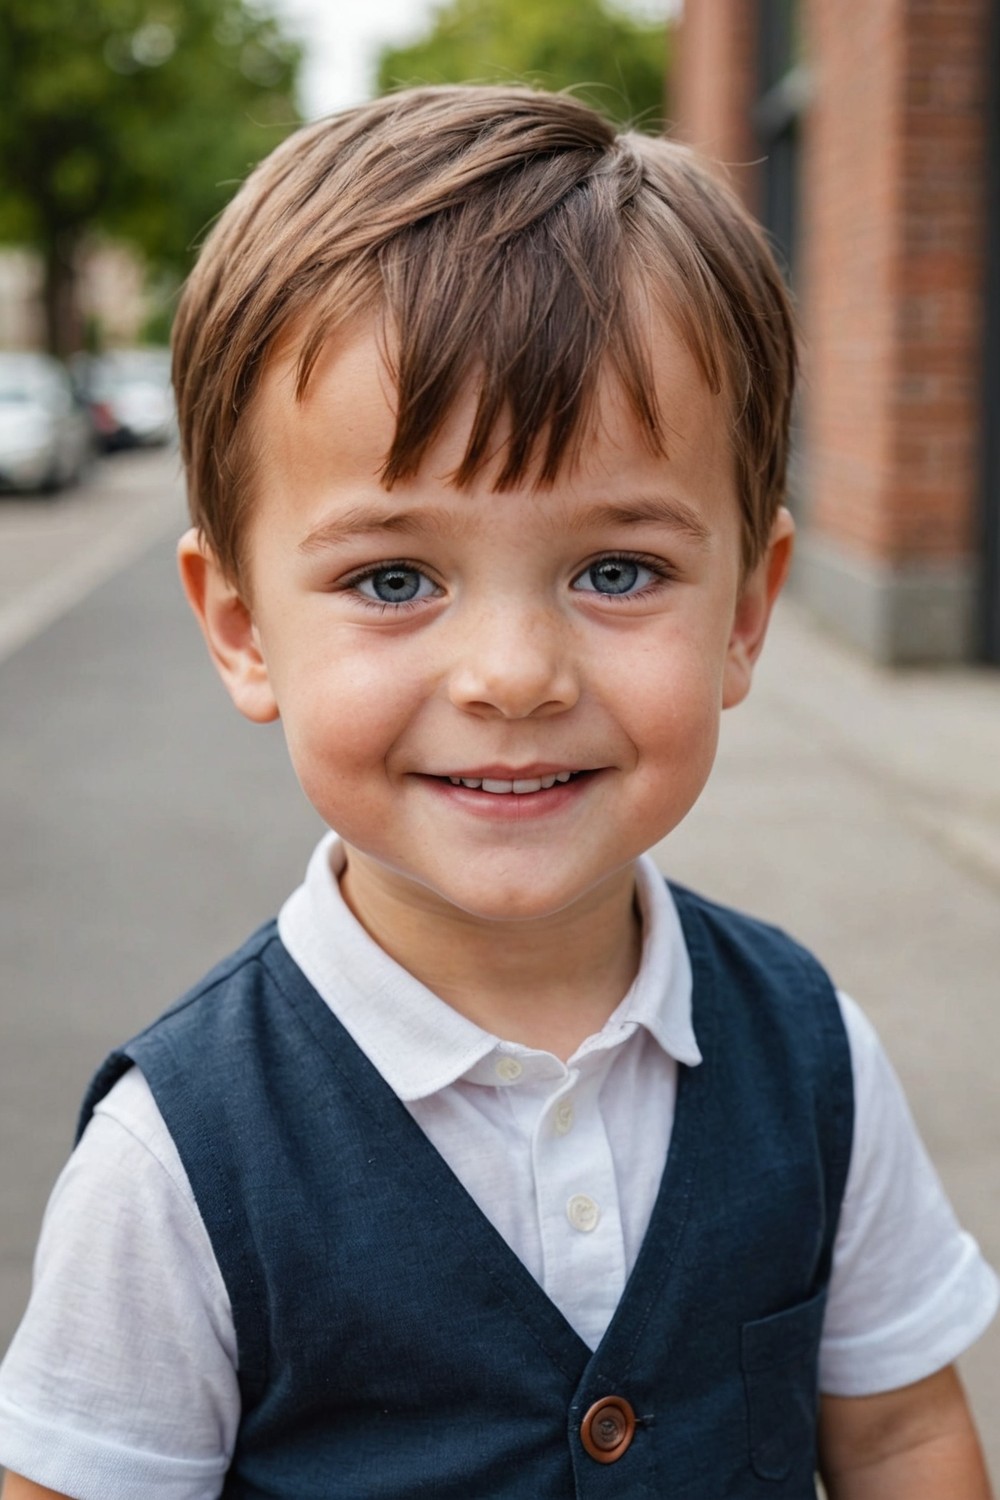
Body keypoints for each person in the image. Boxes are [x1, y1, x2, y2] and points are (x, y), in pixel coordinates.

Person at [0, 85, 996, 1500]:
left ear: (746, 616)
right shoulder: (180, 1157)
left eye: (618, 570)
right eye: (395, 579)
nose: (516, 674)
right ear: (239, 626)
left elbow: (899, 1433)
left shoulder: (812, 1054)